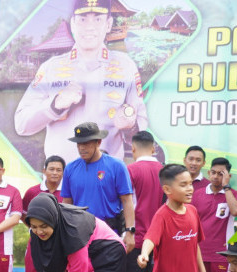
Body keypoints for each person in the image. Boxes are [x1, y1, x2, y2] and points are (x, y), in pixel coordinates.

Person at [14, 0, 147, 164]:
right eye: (83, 19)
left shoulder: (125, 66)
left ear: (108, 24)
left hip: (106, 182)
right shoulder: (51, 68)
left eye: (98, 19)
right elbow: (21, 124)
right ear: (73, 24)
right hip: (62, 181)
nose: (89, 27)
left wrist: (129, 127)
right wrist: (55, 105)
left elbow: (142, 132)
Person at [61, 122, 135, 272]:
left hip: (109, 235)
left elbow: (126, 201)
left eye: (86, 144)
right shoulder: (71, 169)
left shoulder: (115, 166)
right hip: (79, 234)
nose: (82, 148)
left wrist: (130, 231)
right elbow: (66, 205)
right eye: (79, 144)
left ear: (98, 142)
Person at [123, 131, 164, 272]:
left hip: (135, 240)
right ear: (154, 148)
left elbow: (123, 204)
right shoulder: (165, 172)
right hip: (159, 242)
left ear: (134, 149)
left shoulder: (130, 170)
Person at [192, 157, 237, 272]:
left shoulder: (233, 195)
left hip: (222, 256)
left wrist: (226, 187)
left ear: (228, 176)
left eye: (220, 174)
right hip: (199, 255)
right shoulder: (197, 194)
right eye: (213, 173)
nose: (215, 177)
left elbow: (235, 211)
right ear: (208, 172)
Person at [22, 155, 64, 272]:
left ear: (63, 172)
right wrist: (38, 230)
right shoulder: (32, 192)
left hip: (59, 246)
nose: (55, 173)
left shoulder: (67, 193)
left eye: (59, 170)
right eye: (51, 169)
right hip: (36, 243)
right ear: (44, 171)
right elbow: (24, 215)